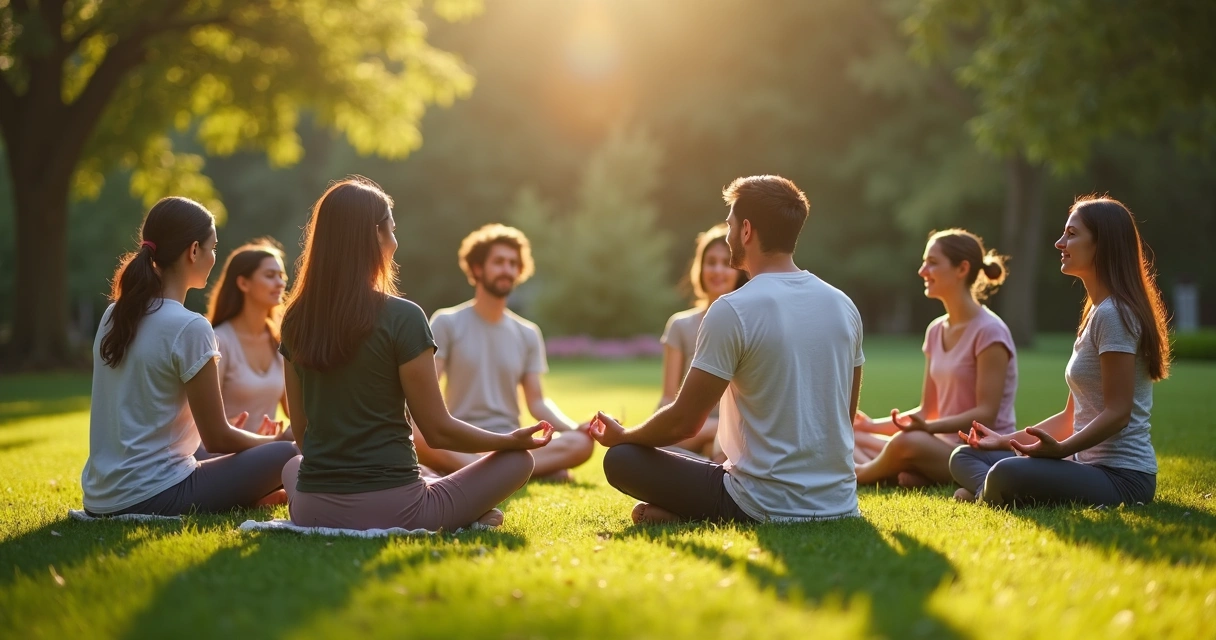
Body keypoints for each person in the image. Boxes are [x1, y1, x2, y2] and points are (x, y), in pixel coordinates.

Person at [589, 175, 865, 524]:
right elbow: (845, 415)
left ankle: (700, 513)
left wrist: (624, 435)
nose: (729, 231)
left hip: (762, 503)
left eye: (731, 224)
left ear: (746, 231)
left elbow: (685, 423)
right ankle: (683, 513)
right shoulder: (844, 305)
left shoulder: (733, 309)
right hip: (839, 503)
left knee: (622, 459)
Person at [279, 178, 552, 531]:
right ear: (375, 236)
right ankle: (459, 508)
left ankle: (442, 494)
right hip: (399, 509)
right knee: (518, 461)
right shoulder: (403, 316)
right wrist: (507, 441)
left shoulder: (295, 318)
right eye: (391, 230)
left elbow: (302, 434)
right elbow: (437, 431)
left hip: (313, 508)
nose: (395, 241)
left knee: (290, 466)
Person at [81, 197, 298, 517]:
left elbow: (196, 434)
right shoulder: (189, 326)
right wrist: (275, 439)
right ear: (193, 251)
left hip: (102, 497)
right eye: (212, 248)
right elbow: (218, 437)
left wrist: (240, 439)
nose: (213, 257)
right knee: (289, 451)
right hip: (156, 491)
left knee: (261, 452)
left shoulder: (114, 314)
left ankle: (251, 493)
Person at [951, 195, 1169, 507]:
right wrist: (1004, 440)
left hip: (1121, 477)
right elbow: (1070, 415)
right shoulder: (1096, 313)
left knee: (1005, 472)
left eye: (1072, 234)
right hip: (1083, 466)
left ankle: (985, 492)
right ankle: (989, 491)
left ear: (1102, 244)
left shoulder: (1115, 314)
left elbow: (1118, 413)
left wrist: (1061, 449)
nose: (1059, 242)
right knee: (965, 455)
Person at [415, 224, 595, 482]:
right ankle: (516, 469)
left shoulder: (528, 332)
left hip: (512, 440)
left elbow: (537, 402)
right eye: (499, 262)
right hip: (461, 439)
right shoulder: (446, 322)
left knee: (580, 443)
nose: (507, 270)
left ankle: (483, 470)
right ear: (477, 268)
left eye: (513, 264)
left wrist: (573, 427)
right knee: (417, 435)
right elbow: (427, 395)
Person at [852, 229, 1017, 486]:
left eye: (932, 263)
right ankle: (901, 473)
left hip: (980, 454)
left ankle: (859, 474)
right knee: (853, 435)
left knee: (907, 443)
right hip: (938, 446)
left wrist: (928, 429)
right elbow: (928, 411)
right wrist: (870, 425)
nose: (922, 271)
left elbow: (986, 415)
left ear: (962, 269)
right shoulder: (936, 330)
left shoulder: (990, 332)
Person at [658, 223, 748, 458]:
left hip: (737, 431)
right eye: (711, 262)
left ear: (739, 270)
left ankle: (705, 461)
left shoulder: (749, 324)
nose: (718, 270)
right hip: (689, 430)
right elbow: (668, 398)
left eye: (726, 263)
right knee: (641, 451)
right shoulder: (680, 325)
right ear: (700, 268)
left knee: (720, 448)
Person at [206, 239, 289, 437]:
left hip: (270, 451)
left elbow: (294, 412)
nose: (280, 283)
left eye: (282, 276)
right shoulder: (218, 341)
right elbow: (202, 422)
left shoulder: (281, 342)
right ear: (243, 283)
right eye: (270, 276)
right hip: (224, 454)